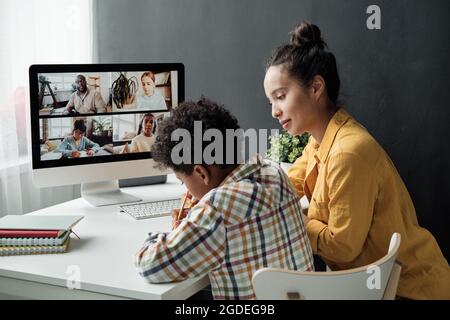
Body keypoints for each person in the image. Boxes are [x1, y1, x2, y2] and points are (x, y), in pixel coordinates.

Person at [263, 22, 450, 299]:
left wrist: (297, 219)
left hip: (409, 290)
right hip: (371, 285)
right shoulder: (321, 138)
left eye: (280, 97)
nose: (274, 112)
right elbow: (288, 184)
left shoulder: (347, 152)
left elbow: (342, 247)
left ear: (316, 87)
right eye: (271, 101)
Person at [134, 97, 314, 300]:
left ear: (201, 173)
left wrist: (176, 231)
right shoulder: (274, 172)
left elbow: (148, 265)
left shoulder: (215, 210)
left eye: (183, 181)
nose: (186, 190)